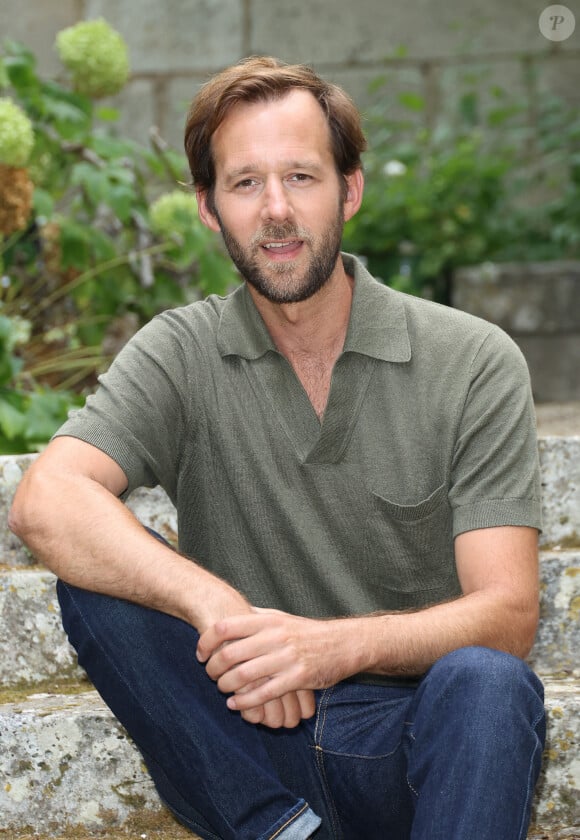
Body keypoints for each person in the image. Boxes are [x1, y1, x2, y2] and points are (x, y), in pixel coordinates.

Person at [9, 56, 546, 840]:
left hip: (404, 737)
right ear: (207, 208)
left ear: (349, 190)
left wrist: (327, 649)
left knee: (490, 683)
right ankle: (284, 830)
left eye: (300, 177)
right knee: (95, 582)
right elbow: (45, 501)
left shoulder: (471, 360)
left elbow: (507, 614)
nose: (276, 212)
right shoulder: (180, 351)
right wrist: (222, 608)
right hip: (244, 740)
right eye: (245, 183)